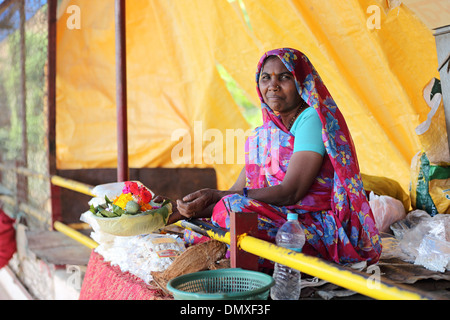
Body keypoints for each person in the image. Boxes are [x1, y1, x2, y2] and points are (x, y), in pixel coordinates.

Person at [162, 48, 382, 266]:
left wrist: (218, 197)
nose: (273, 85)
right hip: (276, 216)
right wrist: (184, 209)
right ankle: (239, 255)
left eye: (285, 77)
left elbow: (291, 192)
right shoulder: (264, 134)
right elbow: (236, 193)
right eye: (266, 78)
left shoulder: (311, 119)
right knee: (202, 224)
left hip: (310, 227)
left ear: (301, 82)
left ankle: (243, 257)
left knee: (231, 211)